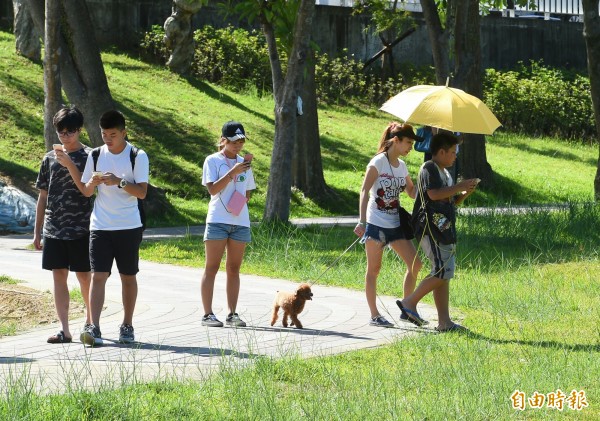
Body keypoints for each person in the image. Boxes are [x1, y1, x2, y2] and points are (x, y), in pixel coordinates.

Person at [79, 110, 149, 346]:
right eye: (104, 134)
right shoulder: (96, 154)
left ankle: (127, 325)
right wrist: (93, 182)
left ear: (124, 133)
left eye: (113, 134)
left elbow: (141, 192)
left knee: (128, 276)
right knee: (98, 276)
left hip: (129, 226)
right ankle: (94, 326)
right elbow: (86, 191)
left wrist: (118, 181)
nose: (108, 139)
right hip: (100, 225)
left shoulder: (137, 155)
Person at [396, 132, 479, 332]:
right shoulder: (429, 168)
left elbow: (449, 200)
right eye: (452, 152)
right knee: (442, 270)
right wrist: (459, 186)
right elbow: (432, 195)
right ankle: (409, 303)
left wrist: (464, 193)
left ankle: (444, 322)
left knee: (444, 273)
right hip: (429, 227)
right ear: (441, 152)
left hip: (444, 228)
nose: (454, 156)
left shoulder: (446, 172)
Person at [353, 122, 424, 327]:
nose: (411, 147)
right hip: (376, 224)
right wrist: (362, 222)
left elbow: (411, 192)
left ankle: (407, 308)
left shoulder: (401, 166)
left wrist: (425, 183)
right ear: (396, 140)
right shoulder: (377, 163)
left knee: (415, 264)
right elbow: (365, 191)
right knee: (374, 269)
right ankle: (375, 315)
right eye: (408, 142)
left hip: (396, 225)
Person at [33, 106, 92, 343]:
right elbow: (42, 195)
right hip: (54, 228)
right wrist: (37, 231)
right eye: (60, 131)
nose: (65, 136)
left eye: (69, 131)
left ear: (79, 130)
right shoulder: (48, 158)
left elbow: (88, 191)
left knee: (84, 276)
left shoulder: (89, 156)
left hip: (81, 227)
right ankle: (64, 329)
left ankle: (90, 324)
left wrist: (69, 164)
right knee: (58, 275)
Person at [200, 121, 256, 328]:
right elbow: (213, 189)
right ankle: (208, 314)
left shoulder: (245, 164)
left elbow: (247, 192)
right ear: (223, 140)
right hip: (217, 221)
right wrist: (233, 172)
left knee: (234, 268)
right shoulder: (212, 161)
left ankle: (232, 314)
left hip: (240, 221)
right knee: (211, 267)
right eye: (233, 141)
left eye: (241, 141)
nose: (238, 145)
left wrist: (237, 205)